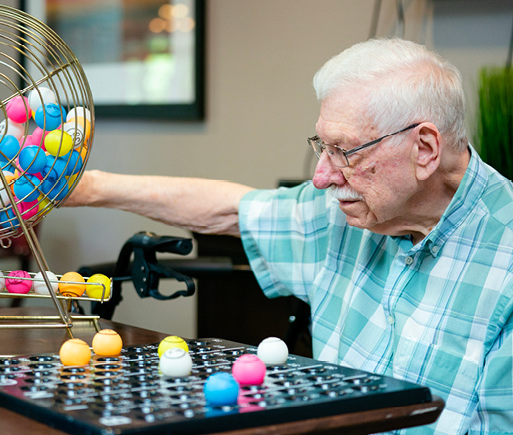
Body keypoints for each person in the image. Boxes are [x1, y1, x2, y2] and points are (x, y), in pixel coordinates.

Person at [65, 38, 513, 434]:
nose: (321, 178)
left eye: (344, 151)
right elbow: (230, 210)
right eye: (322, 146)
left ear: (425, 149)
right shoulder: (348, 212)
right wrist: (85, 187)